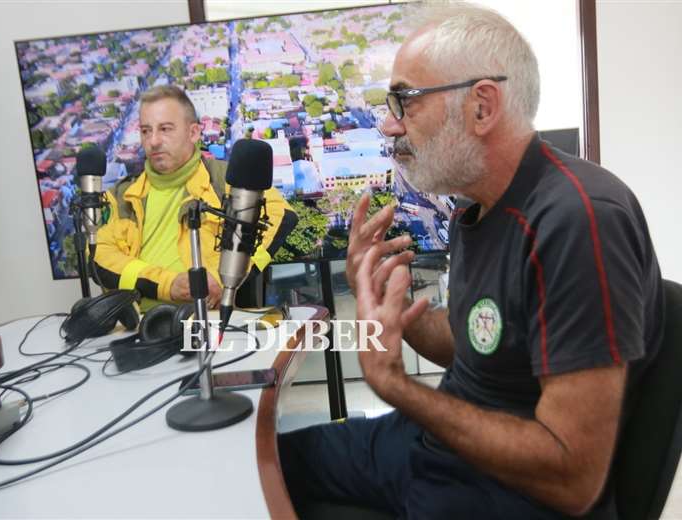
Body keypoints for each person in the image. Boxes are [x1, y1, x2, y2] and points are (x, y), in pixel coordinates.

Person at [279, 3, 664, 519]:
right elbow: (480, 347)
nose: (391, 127)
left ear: (482, 107)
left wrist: (395, 386)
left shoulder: (578, 219)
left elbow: (573, 478)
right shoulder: (478, 206)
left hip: (503, 493)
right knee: (261, 466)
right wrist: (393, 310)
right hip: (431, 446)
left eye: (405, 102)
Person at [94, 85, 297, 311]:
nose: (153, 141)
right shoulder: (120, 198)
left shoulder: (225, 180)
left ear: (194, 133)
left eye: (165, 129)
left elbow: (282, 215)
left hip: (209, 321)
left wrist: (226, 277)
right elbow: (101, 259)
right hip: (138, 328)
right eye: (145, 131)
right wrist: (167, 284)